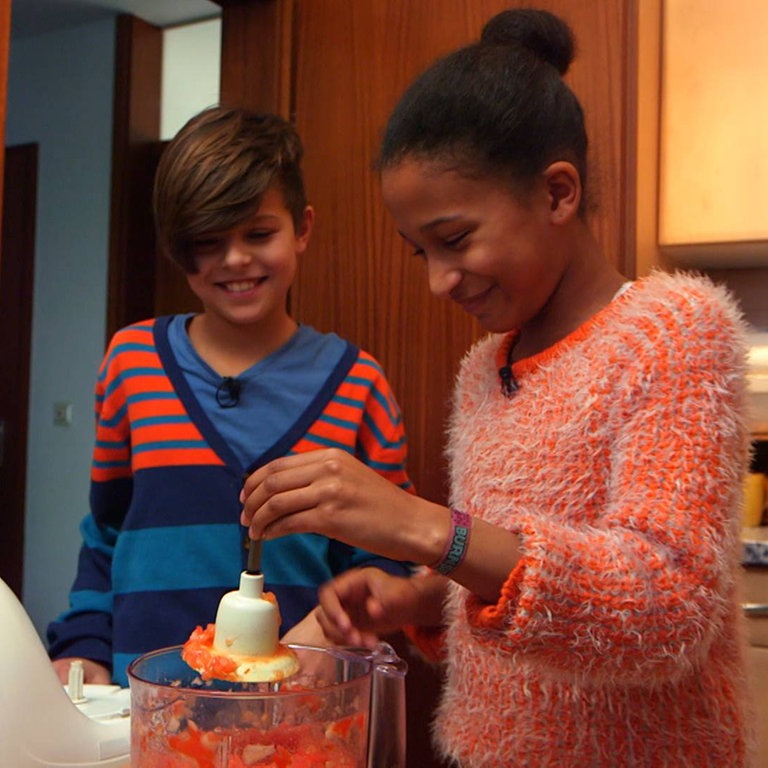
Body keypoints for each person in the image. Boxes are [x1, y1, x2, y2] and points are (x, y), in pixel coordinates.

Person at [240, 9, 755, 767]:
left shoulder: (673, 330)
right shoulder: (485, 368)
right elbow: (522, 597)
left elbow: (665, 610)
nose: (438, 281)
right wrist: (422, 597)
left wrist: (424, 529)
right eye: (419, 251)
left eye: (454, 240)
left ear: (557, 193)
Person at [47, 106, 413, 687]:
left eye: (259, 234)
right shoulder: (130, 362)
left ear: (303, 228)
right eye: (209, 241)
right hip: (142, 706)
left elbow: (389, 559)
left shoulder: (358, 384)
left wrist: (335, 626)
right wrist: (83, 649)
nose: (236, 259)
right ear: (178, 248)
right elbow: (105, 534)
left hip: (299, 711)